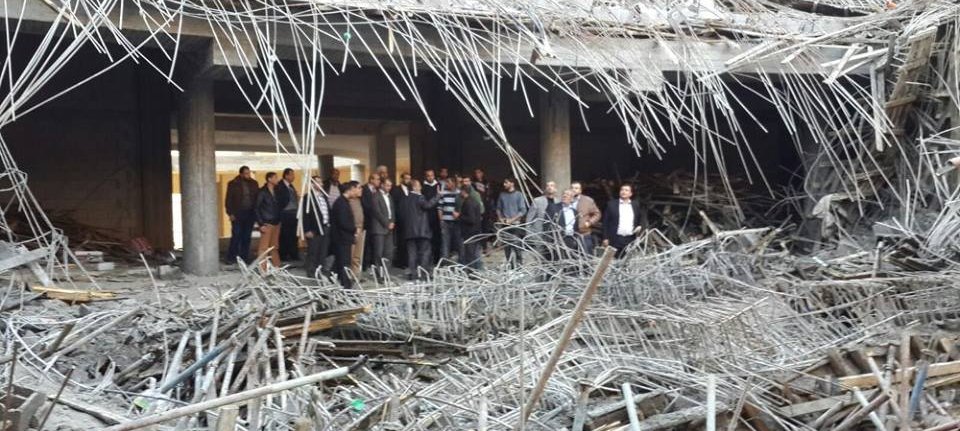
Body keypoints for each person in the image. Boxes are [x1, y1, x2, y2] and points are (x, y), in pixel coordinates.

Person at [399, 179, 440, 280]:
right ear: (414, 187)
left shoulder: (404, 199)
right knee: (424, 253)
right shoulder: (419, 197)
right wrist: (438, 196)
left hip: (409, 231)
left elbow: (401, 214)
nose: (421, 187)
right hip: (421, 231)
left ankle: (413, 274)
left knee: (412, 254)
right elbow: (428, 205)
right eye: (419, 185)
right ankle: (423, 274)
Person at [225, 166, 259, 264]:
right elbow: (228, 200)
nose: (248, 175)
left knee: (247, 236)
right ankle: (231, 257)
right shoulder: (233, 184)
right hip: (237, 214)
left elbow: (257, 198)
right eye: (246, 173)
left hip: (250, 213)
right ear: (241, 174)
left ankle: (244, 257)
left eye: (249, 173)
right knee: (236, 235)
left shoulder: (254, 183)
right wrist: (230, 213)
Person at [331, 181, 360, 287]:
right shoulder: (341, 203)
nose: (359, 191)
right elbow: (343, 222)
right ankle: (346, 286)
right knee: (344, 263)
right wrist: (354, 229)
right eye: (358, 188)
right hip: (341, 238)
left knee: (339, 263)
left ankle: (333, 281)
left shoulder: (344, 201)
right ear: (351, 189)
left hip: (343, 238)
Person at [602, 183, 643, 258]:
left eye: (626, 190)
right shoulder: (611, 204)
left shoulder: (635, 205)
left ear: (631, 194)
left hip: (630, 238)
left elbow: (639, 219)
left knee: (627, 260)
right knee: (613, 260)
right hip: (615, 238)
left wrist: (639, 227)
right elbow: (605, 222)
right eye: (622, 190)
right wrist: (605, 238)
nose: (623, 192)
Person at [302, 176, 332, 278]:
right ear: (312, 184)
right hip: (314, 228)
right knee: (313, 251)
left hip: (325, 226)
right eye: (318, 182)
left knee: (323, 251)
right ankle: (311, 272)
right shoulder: (308, 197)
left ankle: (320, 271)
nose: (321, 184)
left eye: (321, 182)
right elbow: (305, 214)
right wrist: (307, 230)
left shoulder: (324, 196)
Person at [496, 177, 527, 267]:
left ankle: (519, 267)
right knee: (507, 247)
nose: (504, 184)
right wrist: (500, 218)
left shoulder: (519, 195)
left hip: (515, 225)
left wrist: (512, 220)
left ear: (512, 183)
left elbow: (523, 210)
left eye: (506, 182)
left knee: (517, 247)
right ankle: (510, 266)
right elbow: (498, 208)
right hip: (505, 225)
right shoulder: (502, 195)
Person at [525, 181, 560, 260]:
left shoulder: (559, 202)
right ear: (545, 189)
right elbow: (529, 219)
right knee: (539, 258)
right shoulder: (537, 201)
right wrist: (529, 235)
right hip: (539, 234)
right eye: (548, 186)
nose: (550, 187)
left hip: (553, 235)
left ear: (555, 189)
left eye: (552, 186)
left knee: (553, 258)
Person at [369, 178, 396, 279]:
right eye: (387, 185)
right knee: (378, 253)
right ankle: (379, 275)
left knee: (389, 252)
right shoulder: (376, 196)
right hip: (379, 228)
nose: (389, 188)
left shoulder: (389, 196)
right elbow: (377, 212)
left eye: (390, 186)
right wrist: (387, 223)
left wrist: (392, 221)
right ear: (382, 185)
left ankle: (386, 273)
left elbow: (392, 210)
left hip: (389, 227)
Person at [254, 172, 282, 270]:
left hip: (276, 222)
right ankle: (263, 269)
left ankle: (277, 266)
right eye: (275, 177)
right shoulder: (262, 192)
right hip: (267, 222)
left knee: (275, 246)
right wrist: (261, 223)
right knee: (264, 247)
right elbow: (256, 208)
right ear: (269, 179)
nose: (277, 179)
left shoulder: (277, 191)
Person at [276, 168, 300, 261]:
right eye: (291, 175)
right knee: (285, 235)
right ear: (286, 176)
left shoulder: (291, 186)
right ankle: (283, 254)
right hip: (285, 213)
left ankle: (293, 253)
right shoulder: (280, 186)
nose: (293, 177)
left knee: (294, 235)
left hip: (294, 212)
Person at [571, 181, 601, 255]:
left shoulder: (588, 200)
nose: (573, 190)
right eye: (572, 188)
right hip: (570, 234)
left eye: (576, 188)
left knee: (586, 256)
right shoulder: (566, 200)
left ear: (580, 190)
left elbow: (597, 214)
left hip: (584, 233)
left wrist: (589, 222)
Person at [458, 185, 483, 271]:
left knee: (470, 253)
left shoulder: (468, 203)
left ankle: (471, 272)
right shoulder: (474, 201)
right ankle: (476, 270)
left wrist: (460, 216)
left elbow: (471, 219)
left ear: (464, 192)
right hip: (475, 231)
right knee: (475, 253)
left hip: (469, 232)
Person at [391, 172, 412, 269]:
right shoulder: (396, 189)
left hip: (409, 219)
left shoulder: (410, 189)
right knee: (400, 241)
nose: (408, 180)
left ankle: (407, 261)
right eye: (406, 178)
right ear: (402, 179)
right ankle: (400, 262)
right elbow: (394, 205)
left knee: (408, 241)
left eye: (409, 178)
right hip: (400, 219)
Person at [361, 174, 382, 271]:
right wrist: (376, 213)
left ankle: (373, 264)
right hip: (367, 221)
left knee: (374, 244)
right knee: (366, 244)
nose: (379, 181)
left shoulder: (377, 191)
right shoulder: (364, 189)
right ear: (371, 180)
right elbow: (365, 205)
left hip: (376, 223)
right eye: (377, 179)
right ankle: (364, 265)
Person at [422, 169, 442, 262]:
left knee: (437, 237)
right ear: (426, 176)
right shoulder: (423, 187)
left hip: (437, 215)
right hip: (426, 216)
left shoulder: (438, 185)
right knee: (426, 238)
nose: (430, 177)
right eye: (428, 175)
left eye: (432, 175)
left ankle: (437, 259)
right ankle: (426, 259)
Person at [438, 177, 460, 261]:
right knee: (445, 242)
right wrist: (441, 220)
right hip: (446, 221)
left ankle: (457, 261)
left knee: (457, 241)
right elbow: (440, 208)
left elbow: (463, 206)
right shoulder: (443, 193)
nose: (447, 184)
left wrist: (459, 214)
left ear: (453, 183)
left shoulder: (459, 193)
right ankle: (445, 261)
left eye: (448, 182)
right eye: (446, 183)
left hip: (457, 221)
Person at [348, 182, 365, 277]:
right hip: (353, 230)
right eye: (359, 188)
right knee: (351, 254)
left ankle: (356, 274)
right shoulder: (348, 201)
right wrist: (354, 229)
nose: (361, 190)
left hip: (360, 229)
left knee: (357, 255)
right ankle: (350, 274)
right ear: (353, 188)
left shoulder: (358, 200)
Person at [557, 189, 581, 258]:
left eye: (567, 195)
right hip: (557, 240)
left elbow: (576, 228)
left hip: (570, 240)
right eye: (564, 194)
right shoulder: (554, 207)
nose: (564, 196)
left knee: (569, 260)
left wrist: (575, 240)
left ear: (572, 199)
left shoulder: (574, 212)